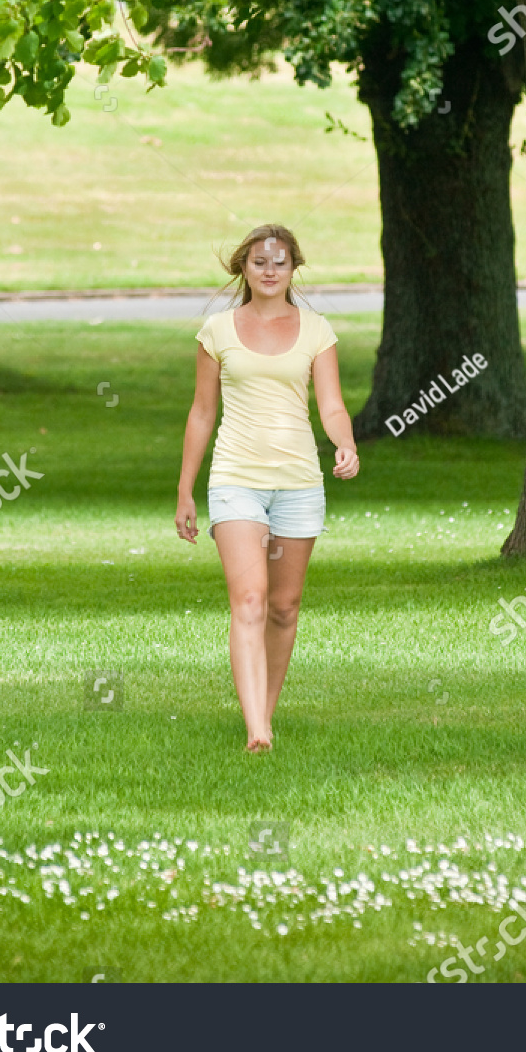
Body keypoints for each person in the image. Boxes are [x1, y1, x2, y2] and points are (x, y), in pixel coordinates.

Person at [175, 224, 359, 751]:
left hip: (299, 483)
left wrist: (344, 444)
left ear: (293, 267)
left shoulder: (317, 330)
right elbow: (201, 413)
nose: (270, 270)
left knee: (284, 607)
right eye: (260, 262)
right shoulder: (218, 331)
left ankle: (265, 710)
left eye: (280, 261)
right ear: (244, 268)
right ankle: (257, 729)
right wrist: (185, 491)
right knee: (250, 600)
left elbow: (331, 405)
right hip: (237, 481)